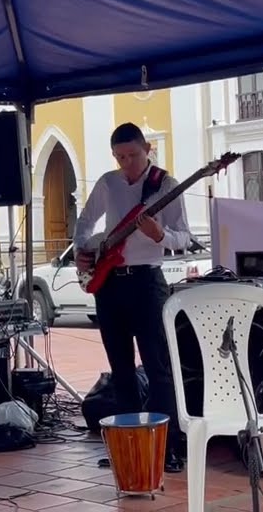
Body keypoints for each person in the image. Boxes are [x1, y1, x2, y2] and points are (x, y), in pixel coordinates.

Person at [74, 122, 190, 474]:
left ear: (148, 149)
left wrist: (160, 234)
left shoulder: (165, 186)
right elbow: (85, 221)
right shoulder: (108, 183)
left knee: (158, 367)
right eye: (120, 157)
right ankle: (126, 444)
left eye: (133, 155)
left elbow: (184, 237)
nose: (127, 163)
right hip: (110, 283)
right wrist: (83, 249)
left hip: (146, 281)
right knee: (120, 368)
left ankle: (169, 448)